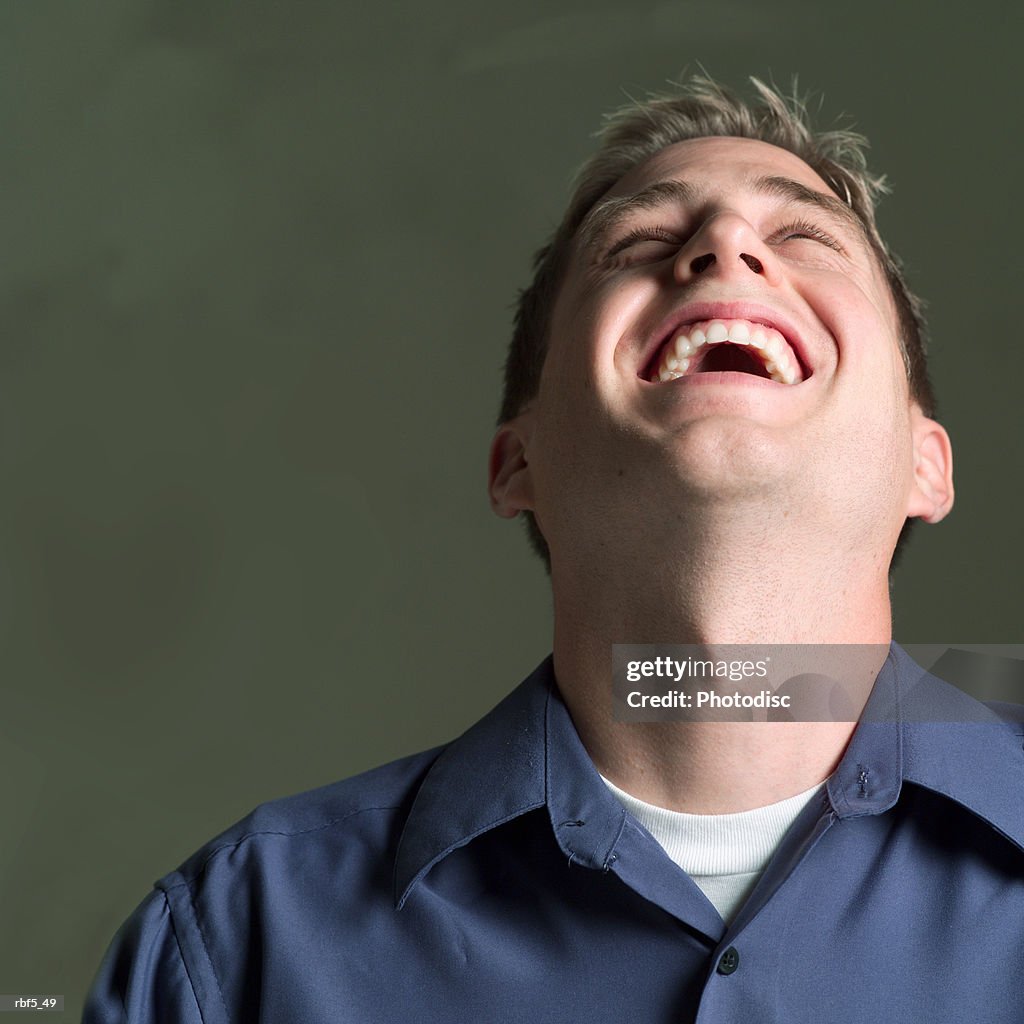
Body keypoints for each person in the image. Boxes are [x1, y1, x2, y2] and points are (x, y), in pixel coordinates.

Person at [84, 75, 1024, 1023]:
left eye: (804, 236)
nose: (725, 245)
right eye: (641, 243)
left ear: (927, 464)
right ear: (516, 461)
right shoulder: (237, 945)